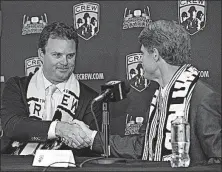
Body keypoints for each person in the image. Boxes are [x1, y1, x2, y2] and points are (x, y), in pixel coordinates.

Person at [73, 20, 221, 165]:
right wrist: (91, 137)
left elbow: (218, 160)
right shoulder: (161, 95)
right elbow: (141, 147)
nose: (141, 61)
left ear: (155, 55)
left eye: (143, 53)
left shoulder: (202, 98)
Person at [1, 22, 102, 156]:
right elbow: (13, 127)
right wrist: (59, 128)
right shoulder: (17, 86)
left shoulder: (91, 99)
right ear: (41, 54)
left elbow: (90, 149)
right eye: (57, 55)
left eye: (70, 56)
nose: (65, 62)